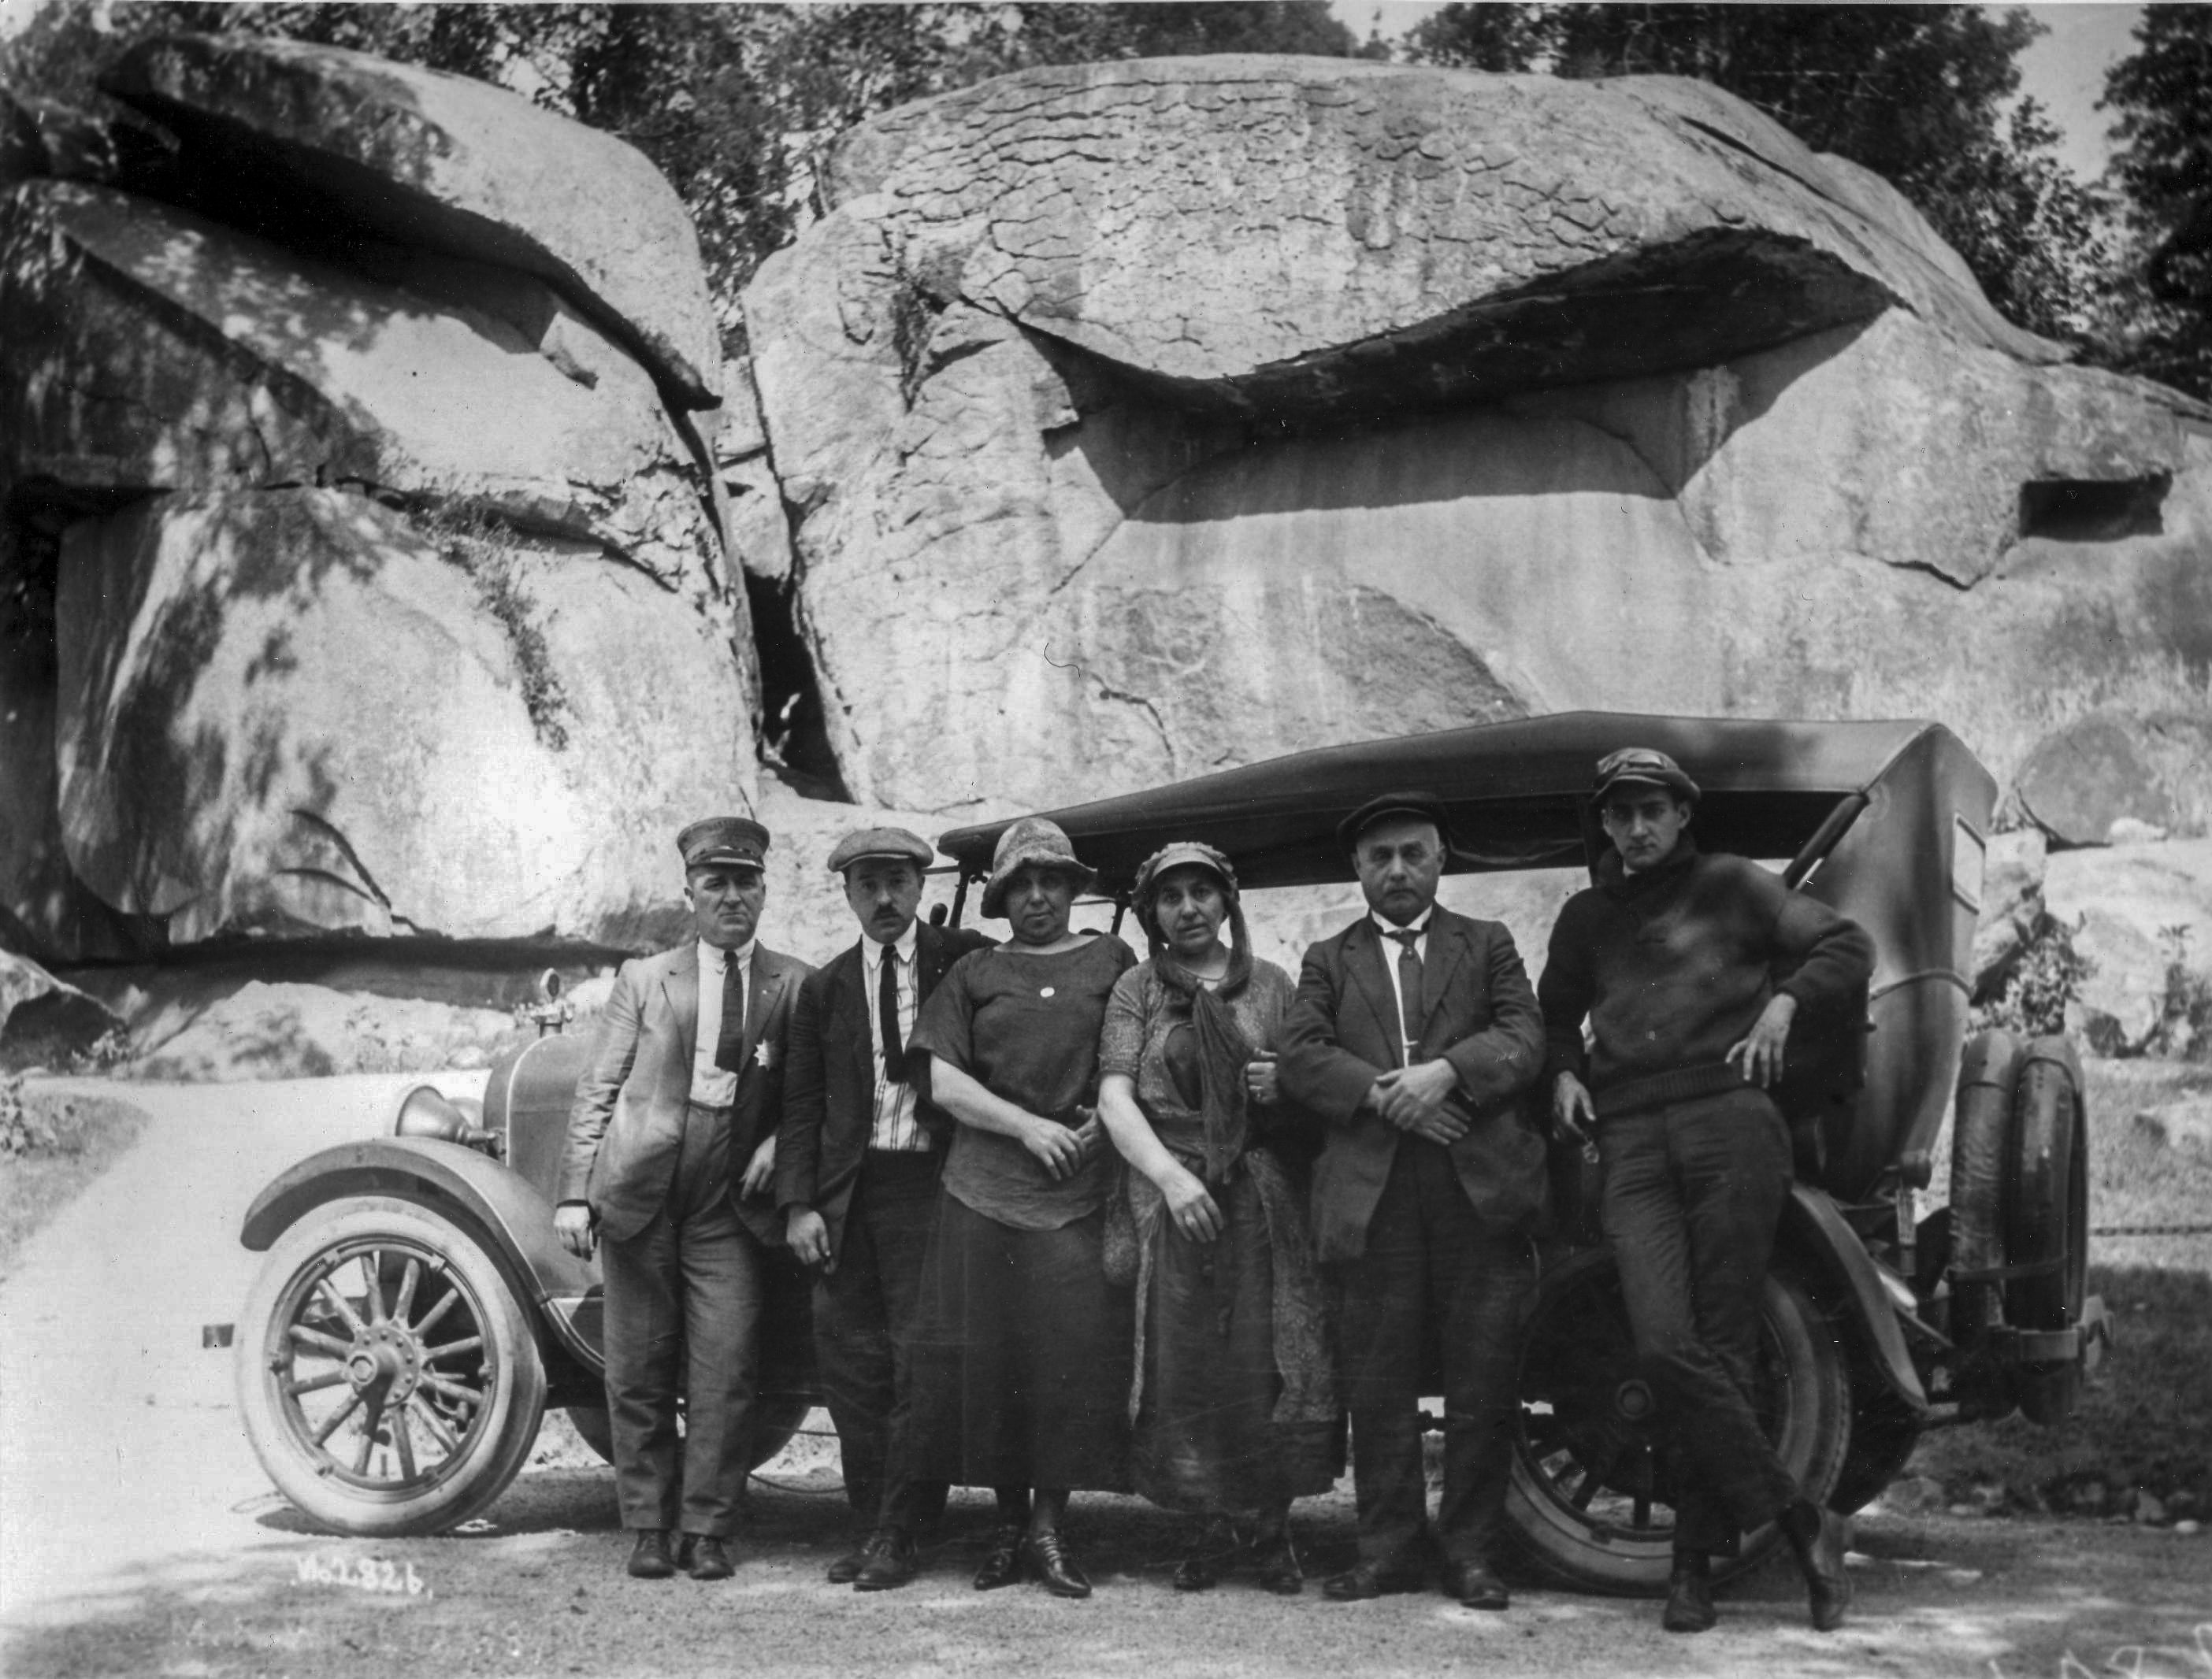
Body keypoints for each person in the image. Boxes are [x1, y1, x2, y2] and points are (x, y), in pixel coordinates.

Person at [1538, 747, 1875, 1635]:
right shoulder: (1584, 916)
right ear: (1604, 823)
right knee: (1660, 1341)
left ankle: (1691, 1569)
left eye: (1653, 809)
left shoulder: (1735, 885)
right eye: (1620, 813)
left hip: (1730, 1120)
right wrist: (1564, 1072)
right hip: (1631, 1136)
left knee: (1722, 1346)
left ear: (1683, 813)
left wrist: (1784, 1003)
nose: (1637, 827)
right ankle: (1805, 1519)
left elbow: (1846, 943)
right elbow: (1552, 1013)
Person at [1277, 791, 1547, 1610]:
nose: (1398, 869)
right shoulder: (1328, 956)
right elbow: (1300, 1054)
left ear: (1441, 861)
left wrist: (1446, 1073)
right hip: (1373, 1196)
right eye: (1380, 856)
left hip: (1479, 1192)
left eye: (1414, 853)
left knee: (1482, 1385)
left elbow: (1526, 1036)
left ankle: (1470, 1554)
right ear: (1358, 869)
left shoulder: (1488, 943)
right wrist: (1382, 1093)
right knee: (1379, 1384)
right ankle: (1388, 1548)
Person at [555, 816, 811, 1582]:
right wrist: (575, 1193)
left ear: (765, 890)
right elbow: (597, 1088)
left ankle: (706, 1525)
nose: (732, 895)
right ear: (690, 892)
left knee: (725, 1363)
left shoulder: (795, 982)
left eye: (746, 881)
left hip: (730, 1195)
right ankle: (647, 1523)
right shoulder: (645, 978)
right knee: (636, 1363)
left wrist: (780, 1145)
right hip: (639, 1188)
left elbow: (812, 1094)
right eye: (716, 882)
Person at [1096, 842, 1339, 1596]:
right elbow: (1114, 1096)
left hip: (1259, 1194)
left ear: (1227, 903)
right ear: (1152, 914)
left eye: (1203, 892)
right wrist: (1170, 1181)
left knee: (1264, 1353)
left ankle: (1270, 1529)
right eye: (1172, 898)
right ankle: (1208, 1526)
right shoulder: (1136, 989)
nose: (1189, 908)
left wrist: (1282, 1083)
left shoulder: (1269, 985)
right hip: (1175, 1194)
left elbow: (1311, 1079)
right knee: (1184, 1357)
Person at [905, 817, 1138, 1599]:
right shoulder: (976, 970)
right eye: (1021, 884)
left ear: (1075, 888)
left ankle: (1048, 1526)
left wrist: (1099, 1121)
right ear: (1002, 898)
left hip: (1076, 1193)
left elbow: (1135, 1057)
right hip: (982, 1190)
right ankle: (1007, 1526)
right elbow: (942, 1080)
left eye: (1052, 880)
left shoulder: (1113, 959)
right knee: (991, 1362)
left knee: (1064, 1360)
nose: (1038, 895)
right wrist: (1030, 1126)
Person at [778, 826, 992, 1592]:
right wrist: (801, 1204)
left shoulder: (963, 958)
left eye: (898, 880)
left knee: (917, 1362)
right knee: (851, 1367)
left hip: (932, 1190)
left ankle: (902, 1532)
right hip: (847, 1197)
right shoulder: (826, 987)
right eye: (868, 883)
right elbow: (802, 1104)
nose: (885, 897)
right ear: (846, 893)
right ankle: (872, 1525)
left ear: (921, 885)